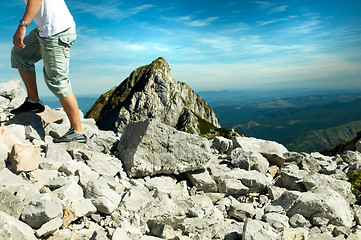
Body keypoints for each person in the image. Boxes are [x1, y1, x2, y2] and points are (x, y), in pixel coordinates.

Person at [11, 0, 87, 143]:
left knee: (57, 81)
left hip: (57, 31)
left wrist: (22, 26)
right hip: (45, 30)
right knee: (21, 55)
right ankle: (33, 102)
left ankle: (78, 131)